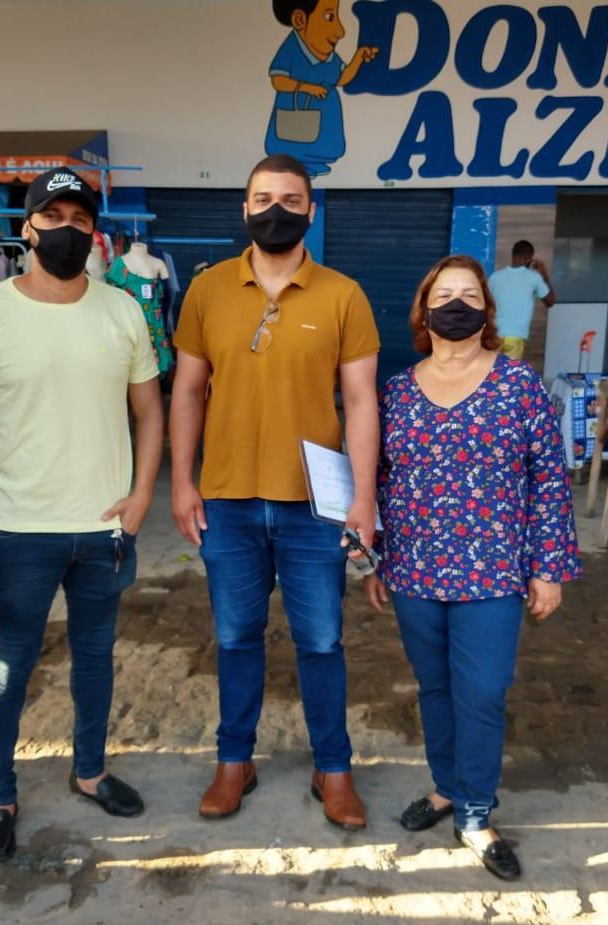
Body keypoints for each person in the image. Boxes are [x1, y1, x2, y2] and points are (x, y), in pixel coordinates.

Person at [0, 168, 164, 862]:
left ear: (93, 232)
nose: (67, 229)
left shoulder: (122, 310)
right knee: (10, 664)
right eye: (53, 216)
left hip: (105, 527)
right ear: (27, 228)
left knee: (95, 657)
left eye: (79, 219)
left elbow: (150, 410)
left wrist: (141, 497)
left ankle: (90, 771)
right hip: (19, 530)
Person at [170, 153, 380, 829]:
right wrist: (182, 481)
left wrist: (364, 498)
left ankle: (333, 767)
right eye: (263, 199)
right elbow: (187, 392)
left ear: (311, 210)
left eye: (291, 200)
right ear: (245, 208)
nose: (276, 211)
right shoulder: (206, 291)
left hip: (314, 507)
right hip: (227, 500)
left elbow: (361, 401)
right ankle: (235, 760)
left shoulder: (343, 295)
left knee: (320, 641)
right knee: (236, 638)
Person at [363, 254, 580, 878]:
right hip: (414, 567)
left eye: (468, 295)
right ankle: (446, 787)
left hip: (493, 570)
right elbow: (380, 481)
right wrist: (376, 560)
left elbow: (548, 477)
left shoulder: (518, 384)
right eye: (443, 295)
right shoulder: (396, 391)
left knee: (481, 691)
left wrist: (548, 567)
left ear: (487, 310)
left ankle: (477, 813)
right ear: (423, 310)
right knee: (433, 687)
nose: (455, 304)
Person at [264, 0, 378, 177]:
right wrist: (305, 88)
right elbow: (278, 80)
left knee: (322, 144)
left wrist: (359, 57)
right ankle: (299, 168)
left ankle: (315, 163)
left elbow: (341, 78)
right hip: (294, 118)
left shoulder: (329, 56)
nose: (340, 31)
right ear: (300, 20)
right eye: (329, 17)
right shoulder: (291, 49)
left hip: (323, 122)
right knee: (292, 144)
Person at [487, 240, 555, 361]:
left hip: (494, 335)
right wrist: (543, 272)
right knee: (510, 371)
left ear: (513, 254)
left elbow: (486, 305)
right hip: (515, 337)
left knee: (491, 369)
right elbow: (550, 301)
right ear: (529, 258)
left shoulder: (495, 277)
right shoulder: (534, 277)